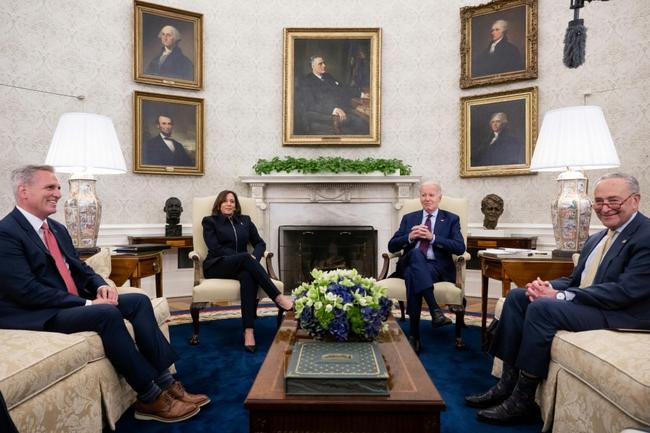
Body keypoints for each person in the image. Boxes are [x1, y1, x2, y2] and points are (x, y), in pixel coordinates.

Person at [0, 165, 209, 423]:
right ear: (24, 191)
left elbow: (80, 268)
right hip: (38, 313)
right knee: (106, 313)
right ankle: (149, 396)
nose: (58, 193)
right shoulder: (6, 233)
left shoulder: (56, 229)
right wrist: (87, 303)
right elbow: (26, 291)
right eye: (50, 187)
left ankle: (167, 382)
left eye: (57, 187)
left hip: (68, 304)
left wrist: (101, 285)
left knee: (139, 301)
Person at [465, 173, 650, 425]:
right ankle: (506, 384)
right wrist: (546, 285)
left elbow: (625, 292)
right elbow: (576, 280)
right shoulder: (597, 238)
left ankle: (523, 399)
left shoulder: (645, 235)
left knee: (543, 308)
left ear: (635, 200)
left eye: (613, 201)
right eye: (599, 202)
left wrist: (559, 295)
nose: (605, 208)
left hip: (623, 313)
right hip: (592, 303)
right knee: (519, 296)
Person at [202, 190, 294, 353]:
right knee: (245, 259)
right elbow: (215, 248)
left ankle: (249, 331)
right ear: (219, 204)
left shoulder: (245, 221)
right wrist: (244, 258)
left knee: (247, 276)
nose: (229, 204)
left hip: (243, 265)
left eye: (232, 201)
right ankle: (278, 297)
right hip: (217, 265)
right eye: (225, 201)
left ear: (236, 205)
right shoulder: (210, 221)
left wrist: (254, 257)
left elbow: (260, 243)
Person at [388, 181, 466, 353]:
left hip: (435, 267)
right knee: (416, 255)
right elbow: (392, 246)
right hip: (409, 260)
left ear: (439, 197)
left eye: (431, 195)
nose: (427, 198)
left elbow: (460, 247)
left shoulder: (451, 219)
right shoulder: (410, 218)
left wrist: (433, 238)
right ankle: (435, 311)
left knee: (412, 276)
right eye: (423, 195)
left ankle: (414, 335)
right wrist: (409, 237)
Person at [298, 55, 369, 135]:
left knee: (363, 118)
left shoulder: (328, 76)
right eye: (320, 64)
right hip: (328, 116)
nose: (324, 65)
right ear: (313, 66)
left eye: (324, 63)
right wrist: (333, 109)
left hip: (343, 110)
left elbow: (343, 88)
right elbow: (311, 104)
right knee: (363, 124)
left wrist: (361, 94)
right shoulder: (307, 82)